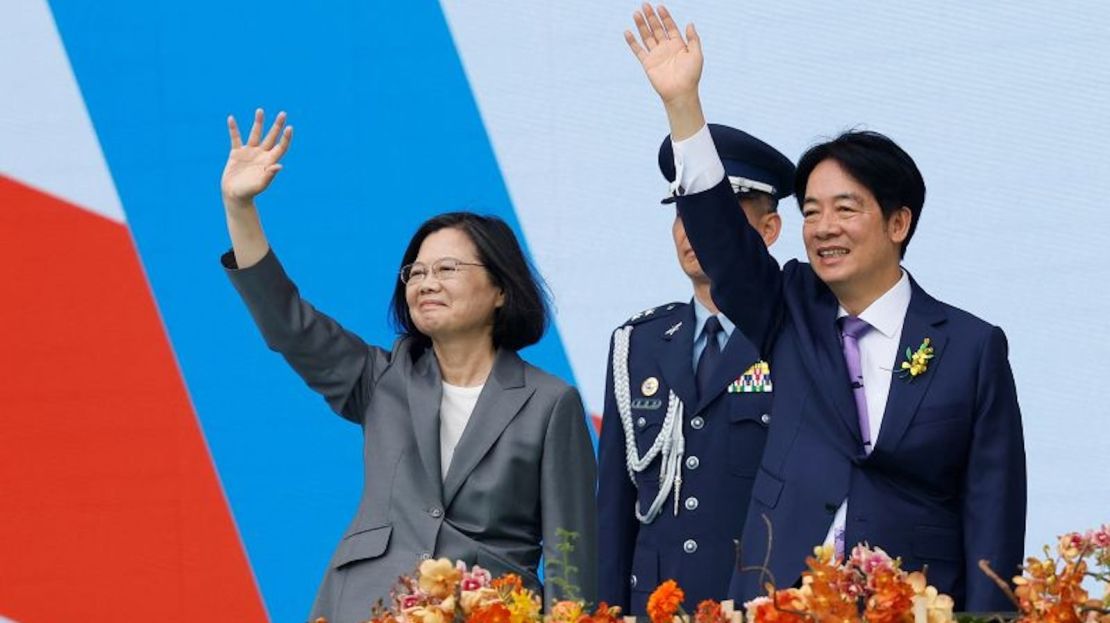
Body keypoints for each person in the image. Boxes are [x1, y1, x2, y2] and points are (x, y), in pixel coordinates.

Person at [623, 5, 1026, 612]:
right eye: (811, 211)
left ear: (898, 221)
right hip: (777, 595)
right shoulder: (790, 307)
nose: (823, 228)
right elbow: (723, 243)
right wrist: (684, 109)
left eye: (845, 208)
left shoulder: (970, 346)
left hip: (914, 603)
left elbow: (992, 505)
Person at [218, 109, 598, 623]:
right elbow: (290, 325)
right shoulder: (382, 379)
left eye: (447, 269)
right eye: (415, 272)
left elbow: (572, 556)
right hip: (365, 606)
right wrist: (240, 207)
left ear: (501, 290)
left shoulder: (550, 403)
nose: (425, 283)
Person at [597, 125, 793, 613]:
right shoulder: (637, 343)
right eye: (683, 213)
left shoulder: (794, 335)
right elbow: (615, 511)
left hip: (759, 603)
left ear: (768, 230)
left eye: (716, 214)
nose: (693, 228)